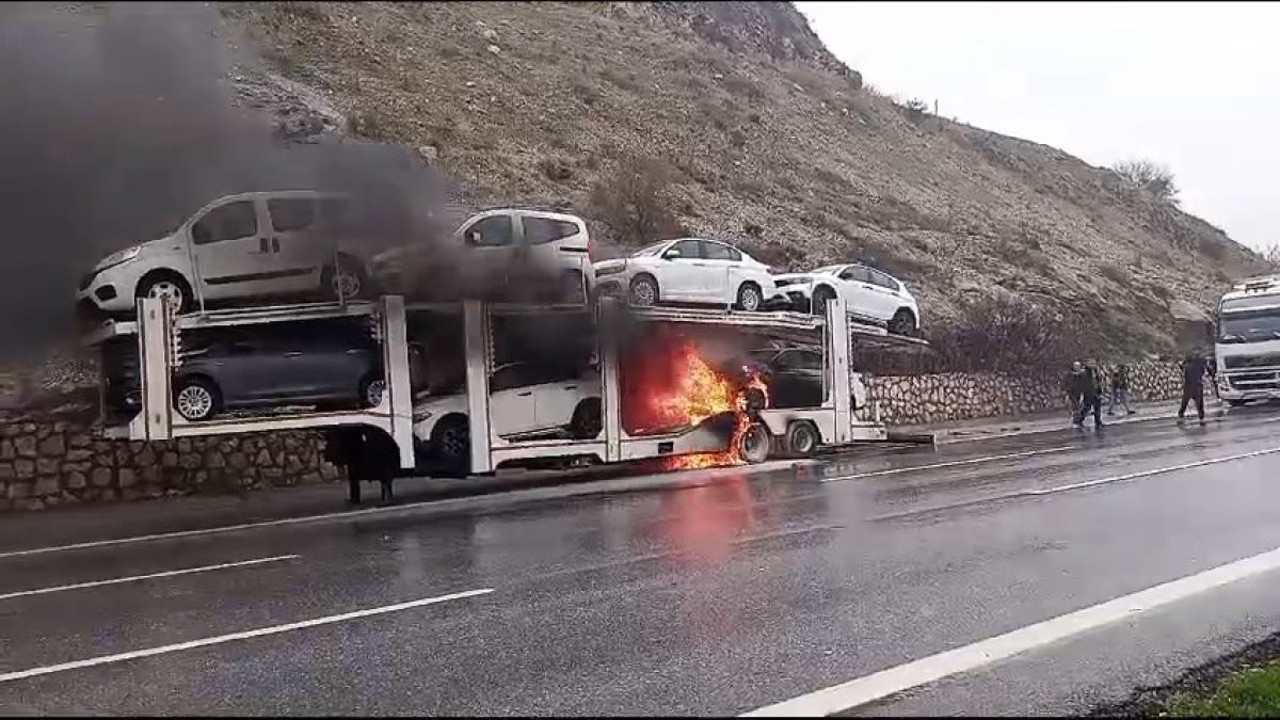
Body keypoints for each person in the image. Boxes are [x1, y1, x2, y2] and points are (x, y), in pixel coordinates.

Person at [1067, 360, 1104, 428]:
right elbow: (1078, 381)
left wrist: (1100, 390)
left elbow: (1098, 381)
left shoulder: (1096, 371)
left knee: (1097, 408)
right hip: (1089, 392)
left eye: (1094, 364)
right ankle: (1079, 420)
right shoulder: (1084, 373)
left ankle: (1098, 421)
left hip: (1096, 391)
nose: (1093, 366)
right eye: (1091, 364)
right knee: (1087, 408)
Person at [1178, 350, 1212, 424]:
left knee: (1185, 401)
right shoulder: (1202, 364)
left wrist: (1182, 367)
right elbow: (1209, 370)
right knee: (1199, 402)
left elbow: (1183, 370)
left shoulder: (1188, 366)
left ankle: (1181, 414)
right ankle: (1201, 417)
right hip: (1197, 385)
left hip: (1189, 385)